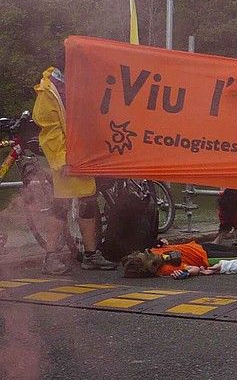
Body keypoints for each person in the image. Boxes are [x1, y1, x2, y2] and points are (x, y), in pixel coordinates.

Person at [31, 66, 116, 273]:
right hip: (67, 158)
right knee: (61, 205)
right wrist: (62, 161)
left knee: (88, 201)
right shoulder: (49, 91)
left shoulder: (75, 86)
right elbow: (50, 132)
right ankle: (50, 257)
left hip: (82, 155)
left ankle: (90, 254)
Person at [121, 240, 209, 278]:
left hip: (196, 246)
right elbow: (195, 269)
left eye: (148, 253)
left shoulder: (153, 250)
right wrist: (186, 273)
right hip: (204, 257)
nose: (152, 254)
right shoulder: (166, 269)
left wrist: (163, 242)